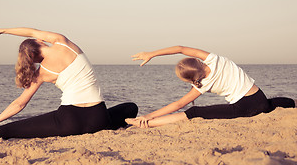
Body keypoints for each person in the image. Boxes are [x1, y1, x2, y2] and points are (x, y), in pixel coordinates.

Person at [0, 27, 137, 140]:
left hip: (69, 121)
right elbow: (31, 32)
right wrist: (2, 30)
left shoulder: (41, 73)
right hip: (98, 118)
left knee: (10, 130)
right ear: (39, 42)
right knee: (131, 107)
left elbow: (20, 104)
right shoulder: (63, 43)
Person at [126, 45, 295, 128]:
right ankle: (292, 103)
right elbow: (180, 48)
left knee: (194, 112)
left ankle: (145, 123)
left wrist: (149, 115)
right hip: (260, 98)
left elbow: (178, 105)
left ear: (191, 80)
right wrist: (152, 54)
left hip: (245, 109)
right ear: (198, 61)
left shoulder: (203, 84)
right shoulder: (215, 59)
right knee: (271, 104)